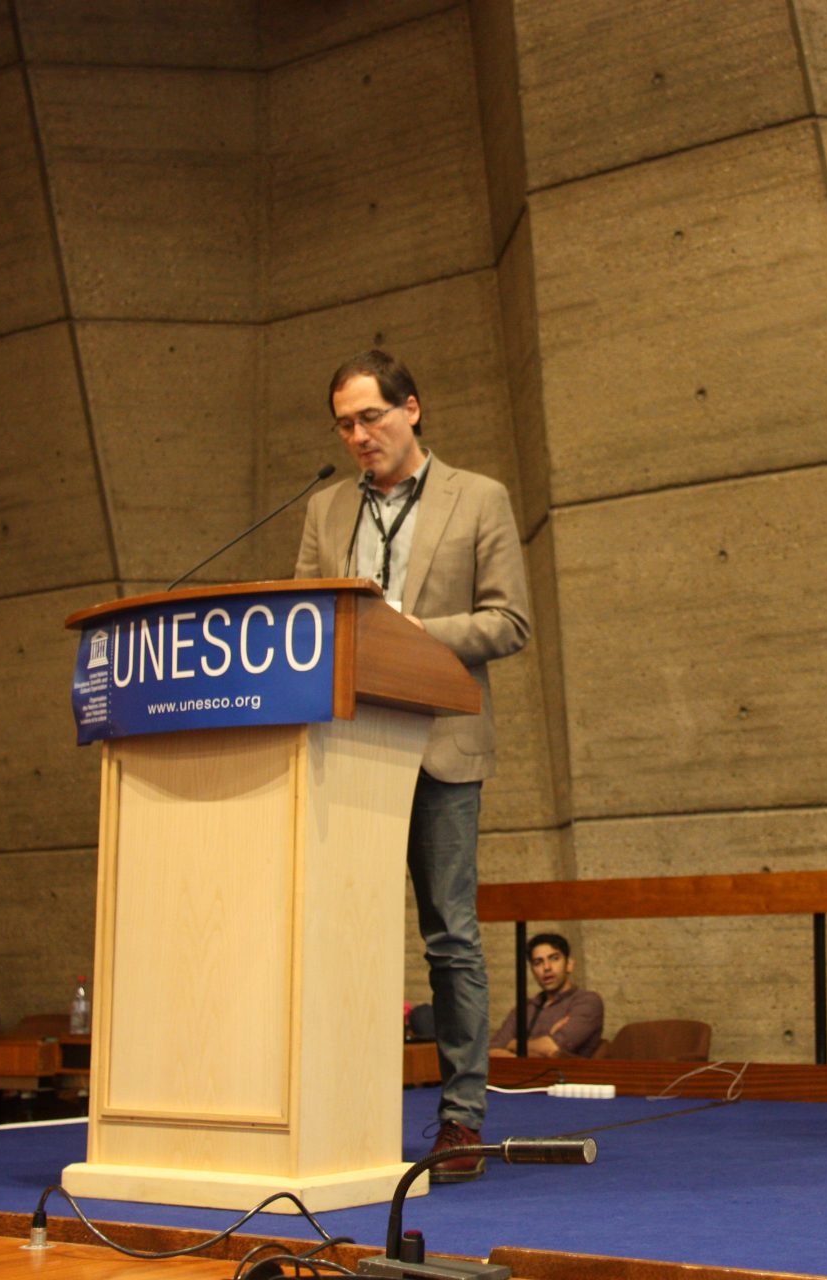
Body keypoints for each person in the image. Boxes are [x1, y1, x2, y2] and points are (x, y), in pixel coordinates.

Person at [295, 349, 531, 1183]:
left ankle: (461, 1118)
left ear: (412, 409)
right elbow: (304, 620)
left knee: (449, 936)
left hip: (440, 744)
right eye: (345, 425)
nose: (359, 436)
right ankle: (334, 1109)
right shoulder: (325, 508)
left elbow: (509, 622)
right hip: (346, 742)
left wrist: (414, 634)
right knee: (334, 933)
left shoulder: (480, 497)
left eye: (371, 417)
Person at [491, 932, 605, 1060]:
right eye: (538, 962)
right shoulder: (525, 1008)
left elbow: (552, 1049)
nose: (546, 967)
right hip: (518, 1073)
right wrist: (539, 1048)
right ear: (532, 970)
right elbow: (492, 1052)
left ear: (569, 964)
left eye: (554, 958)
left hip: (566, 1073)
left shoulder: (587, 1001)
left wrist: (512, 1044)